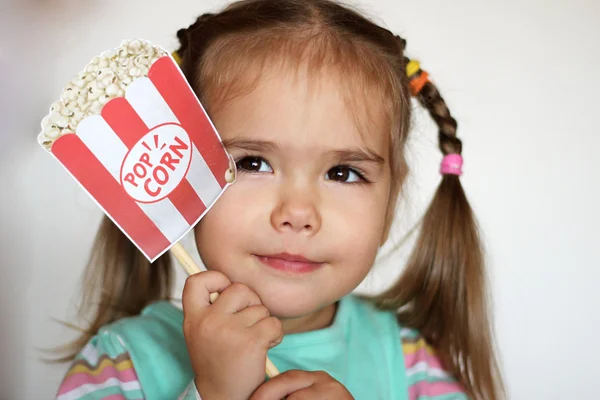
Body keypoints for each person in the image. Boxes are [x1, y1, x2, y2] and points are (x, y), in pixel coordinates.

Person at [54, 0, 504, 399]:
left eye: (343, 173)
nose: (297, 214)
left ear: (391, 201)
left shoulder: (415, 369)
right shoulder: (119, 364)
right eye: (253, 163)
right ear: (182, 172)